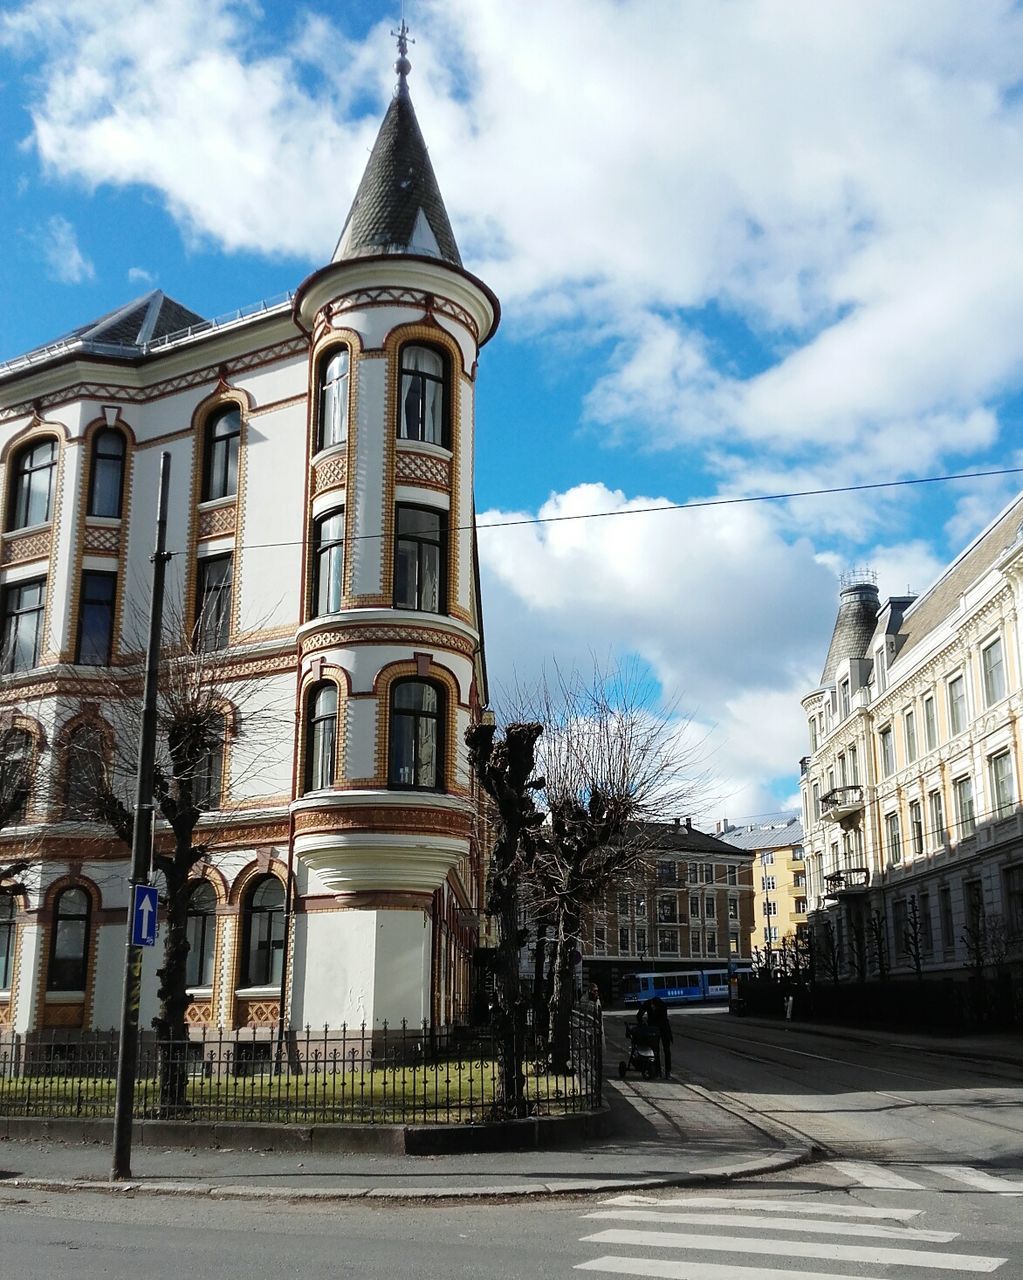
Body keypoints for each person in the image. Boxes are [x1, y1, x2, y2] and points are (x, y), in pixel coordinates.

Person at [640, 994, 673, 1078]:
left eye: (655, 1007)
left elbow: (663, 1020)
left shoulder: (662, 1006)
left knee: (666, 1050)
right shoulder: (647, 1004)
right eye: (653, 1007)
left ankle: (667, 1071)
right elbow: (639, 1015)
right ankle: (658, 1071)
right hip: (653, 1029)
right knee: (655, 1050)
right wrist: (643, 1023)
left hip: (663, 1028)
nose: (654, 1008)